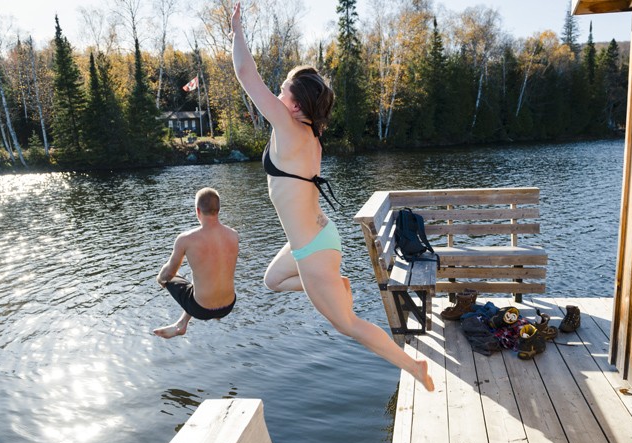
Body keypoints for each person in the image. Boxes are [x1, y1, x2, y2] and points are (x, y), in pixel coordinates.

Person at [230, 2, 434, 391]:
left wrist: (238, 30)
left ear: (294, 105)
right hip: (315, 239)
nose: (276, 95)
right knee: (272, 281)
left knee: (348, 325)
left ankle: (414, 367)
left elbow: (245, 73)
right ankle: (332, 283)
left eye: (282, 91)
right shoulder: (312, 137)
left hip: (312, 248)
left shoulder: (288, 130)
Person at [154, 187, 239, 339]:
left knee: (167, 273)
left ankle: (181, 324)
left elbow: (170, 274)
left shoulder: (186, 239)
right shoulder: (233, 235)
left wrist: (160, 279)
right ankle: (181, 323)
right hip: (229, 305)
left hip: (200, 309)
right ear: (218, 210)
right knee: (203, 276)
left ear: (197, 211)